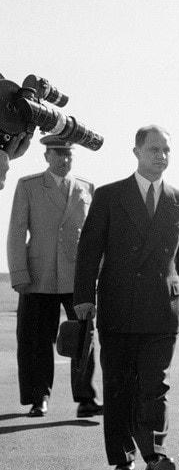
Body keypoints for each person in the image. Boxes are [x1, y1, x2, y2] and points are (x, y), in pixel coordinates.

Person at [73, 125, 179, 470]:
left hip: (162, 309)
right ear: (136, 152)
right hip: (119, 306)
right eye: (154, 149)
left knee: (155, 385)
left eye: (166, 150)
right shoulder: (110, 196)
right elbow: (89, 250)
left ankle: (155, 455)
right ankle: (122, 455)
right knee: (119, 385)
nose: (161, 156)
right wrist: (83, 297)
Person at [7, 136, 99, 417]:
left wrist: (95, 277)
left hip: (76, 277)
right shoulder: (29, 186)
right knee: (36, 339)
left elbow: (94, 239)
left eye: (69, 154)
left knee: (83, 339)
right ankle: (39, 397)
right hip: (39, 276)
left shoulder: (86, 188)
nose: (65, 159)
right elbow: (16, 232)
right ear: (47, 156)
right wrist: (19, 273)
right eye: (58, 154)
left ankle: (85, 398)